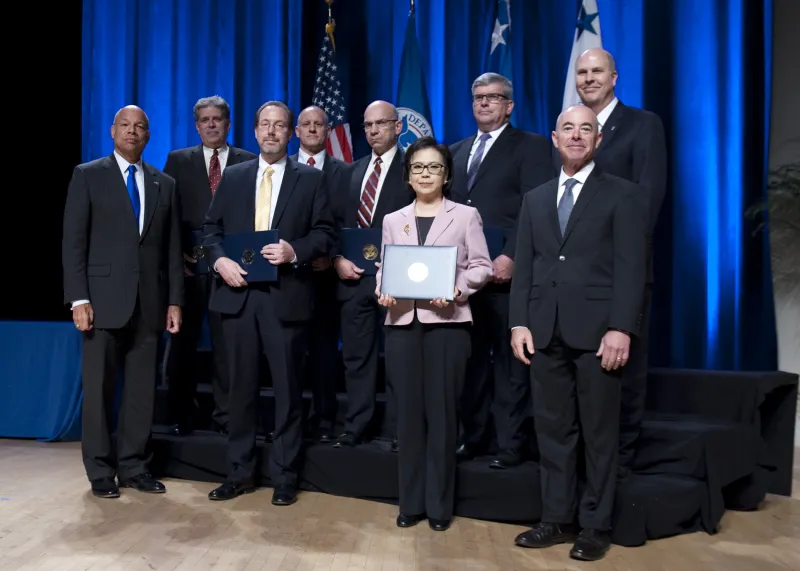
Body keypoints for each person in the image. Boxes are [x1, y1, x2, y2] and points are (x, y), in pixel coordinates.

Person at [509, 105, 647, 561]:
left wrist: (621, 328)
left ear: (598, 140)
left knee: (600, 434)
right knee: (552, 431)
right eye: (567, 128)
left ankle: (594, 524)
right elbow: (525, 268)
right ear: (554, 137)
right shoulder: (535, 198)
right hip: (544, 332)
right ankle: (555, 518)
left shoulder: (623, 195)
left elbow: (632, 269)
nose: (576, 135)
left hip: (598, 334)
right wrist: (519, 322)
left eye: (585, 129)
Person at [203, 101, 335, 506]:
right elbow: (211, 230)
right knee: (238, 392)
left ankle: (284, 476)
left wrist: (294, 251)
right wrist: (219, 259)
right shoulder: (235, 176)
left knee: (288, 392)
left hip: (286, 299)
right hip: (238, 298)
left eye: (280, 126)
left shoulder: (310, 180)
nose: (271, 132)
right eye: (265, 125)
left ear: (292, 132)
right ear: (255, 130)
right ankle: (239, 473)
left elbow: (326, 234)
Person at [62, 105, 183, 498]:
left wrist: (174, 302)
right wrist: (79, 298)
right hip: (101, 303)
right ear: (113, 131)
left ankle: (134, 466)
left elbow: (171, 250)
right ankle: (99, 470)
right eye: (125, 126)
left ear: (149, 135)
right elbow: (73, 242)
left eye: (140, 127)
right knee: (98, 390)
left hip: (149, 304)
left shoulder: (164, 183)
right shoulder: (88, 175)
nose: (132, 132)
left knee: (141, 390)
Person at [376, 136, 493, 531]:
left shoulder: (464, 216)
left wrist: (456, 289)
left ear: (447, 174)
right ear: (408, 176)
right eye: (418, 168)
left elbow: (482, 266)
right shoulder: (394, 219)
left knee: (442, 417)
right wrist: (383, 287)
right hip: (402, 327)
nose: (425, 174)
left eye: (434, 167)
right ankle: (410, 502)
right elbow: (385, 268)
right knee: (407, 418)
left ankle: (439, 506)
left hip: (448, 327)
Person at [449, 72, 555, 469]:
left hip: (510, 276)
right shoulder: (456, 151)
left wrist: (511, 255)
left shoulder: (531, 147)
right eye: (478, 97)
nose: (484, 103)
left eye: (493, 98)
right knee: (471, 363)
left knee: (512, 366)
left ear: (509, 105)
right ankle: (472, 439)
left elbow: (536, 208)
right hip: (465, 279)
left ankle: (510, 445)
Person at [573, 48, 668, 471]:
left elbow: (648, 198)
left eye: (597, 71)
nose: (589, 78)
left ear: (614, 77)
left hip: (621, 269)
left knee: (624, 368)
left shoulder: (643, 125)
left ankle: (622, 461)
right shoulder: (572, 129)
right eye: (582, 72)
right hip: (573, 275)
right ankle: (582, 460)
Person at [163, 95, 257, 437]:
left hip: (231, 268)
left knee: (227, 347)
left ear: (228, 124)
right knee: (183, 346)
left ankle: (226, 417)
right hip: (188, 270)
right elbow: (168, 216)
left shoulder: (247, 161)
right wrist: (178, 261)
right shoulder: (178, 160)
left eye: (218, 119)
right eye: (205, 119)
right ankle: (179, 415)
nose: (212, 124)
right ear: (197, 125)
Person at [331, 100, 413, 450]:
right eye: (368, 125)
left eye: (381, 123)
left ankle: (398, 429)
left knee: (398, 359)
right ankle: (356, 425)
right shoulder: (351, 170)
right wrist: (336, 258)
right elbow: (333, 221)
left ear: (398, 127)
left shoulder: (414, 167)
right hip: (353, 280)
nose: (374, 131)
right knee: (357, 357)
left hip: (396, 278)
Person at [290, 105, 347, 443]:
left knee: (325, 352)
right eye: (305, 124)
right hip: (289, 277)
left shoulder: (346, 171)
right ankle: (291, 418)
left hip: (327, 278)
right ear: (296, 131)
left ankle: (324, 419)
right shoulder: (279, 170)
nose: (312, 129)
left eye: (318, 125)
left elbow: (348, 221)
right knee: (290, 353)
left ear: (328, 131)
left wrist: (333, 255)